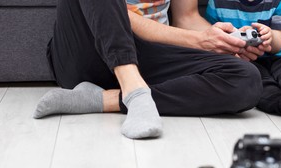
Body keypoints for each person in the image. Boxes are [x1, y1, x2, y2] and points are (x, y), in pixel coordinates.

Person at [33, 0, 264, 139]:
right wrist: (198, 41)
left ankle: (105, 99)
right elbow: (118, 16)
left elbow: (187, 18)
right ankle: (134, 91)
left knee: (246, 79)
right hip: (85, 50)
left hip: (149, 56)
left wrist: (222, 41)